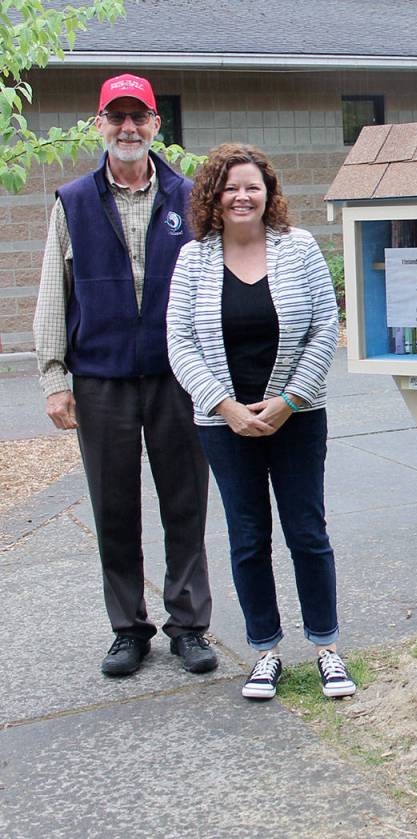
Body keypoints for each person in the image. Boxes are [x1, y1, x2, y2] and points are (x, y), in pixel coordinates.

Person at [32, 74, 217, 677]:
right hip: (101, 379)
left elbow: (212, 286)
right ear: (100, 126)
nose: (128, 128)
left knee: (184, 502)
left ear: (156, 125)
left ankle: (188, 625)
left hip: (178, 376)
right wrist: (54, 377)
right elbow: (51, 297)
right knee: (114, 507)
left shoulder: (190, 199)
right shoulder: (73, 202)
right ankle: (128, 629)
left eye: (139, 117)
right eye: (117, 117)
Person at [167, 143, 351, 702]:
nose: (242, 196)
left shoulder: (298, 249)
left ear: (269, 192)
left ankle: (326, 647)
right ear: (213, 198)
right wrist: (224, 407)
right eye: (229, 187)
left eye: (252, 185)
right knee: (248, 538)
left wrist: (289, 400)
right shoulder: (194, 258)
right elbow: (179, 340)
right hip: (223, 425)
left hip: (297, 417)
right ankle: (264, 652)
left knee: (307, 533)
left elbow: (326, 325)